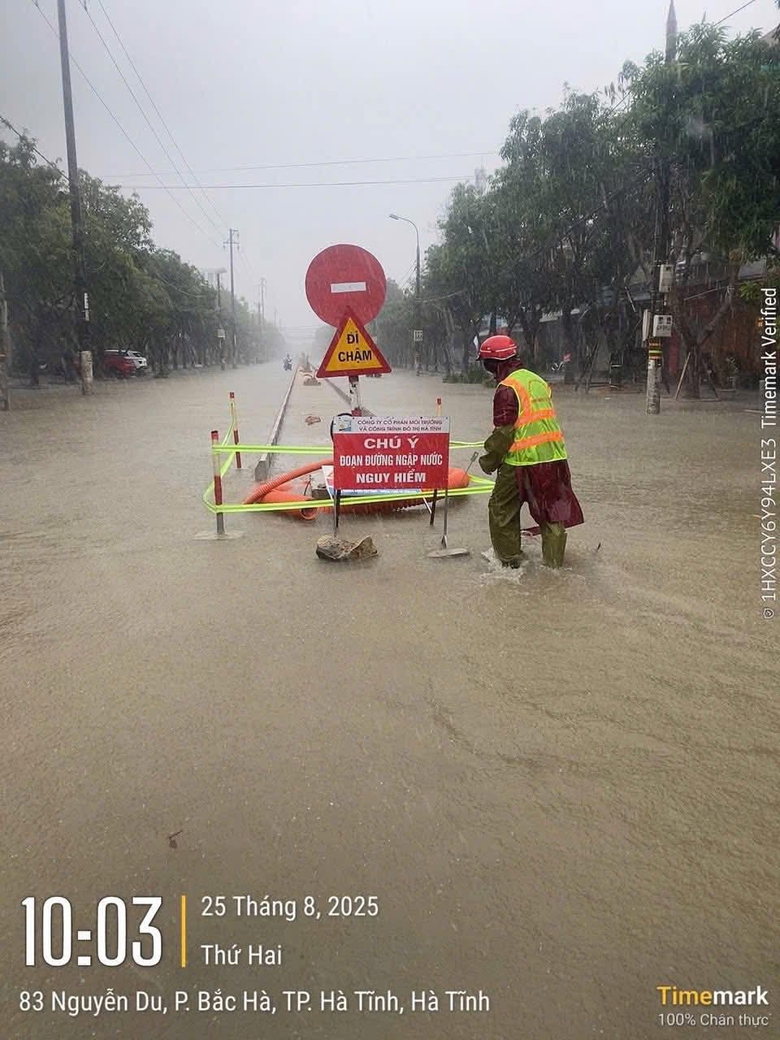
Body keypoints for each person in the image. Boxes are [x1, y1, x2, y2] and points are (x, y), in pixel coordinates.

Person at [477, 334, 583, 568]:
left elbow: (504, 433)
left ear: (495, 363)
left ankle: (510, 563)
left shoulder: (507, 388)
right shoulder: (537, 381)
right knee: (552, 513)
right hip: (554, 458)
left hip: (520, 461)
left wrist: (488, 461)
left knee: (501, 509)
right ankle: (554, 567)